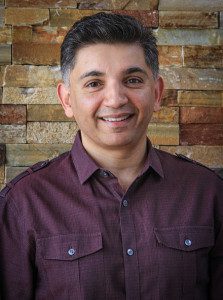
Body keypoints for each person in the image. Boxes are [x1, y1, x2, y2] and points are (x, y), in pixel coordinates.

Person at [0, 12, 222, 300]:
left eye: (132, 80)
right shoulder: (23, 203)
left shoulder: (208, 193)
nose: (116, 99)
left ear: (156, 93)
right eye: (94, 83)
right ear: (67, 99)